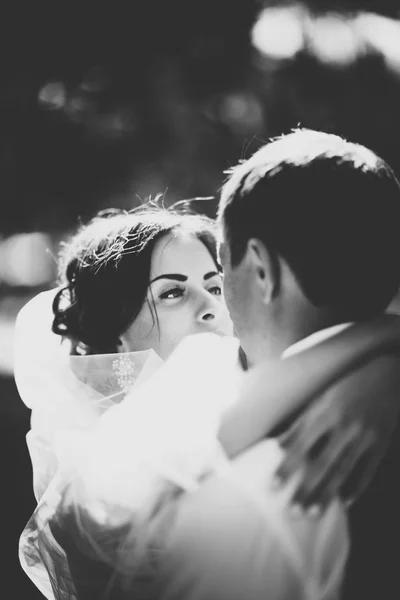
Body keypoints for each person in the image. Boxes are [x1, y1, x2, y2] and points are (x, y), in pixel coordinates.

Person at [16, 129, 400, 599]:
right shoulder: (129, 453)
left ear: (256, 272)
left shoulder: (236, 379)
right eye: (173, 292)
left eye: (216, 284)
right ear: (116, 333)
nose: (211, 307)